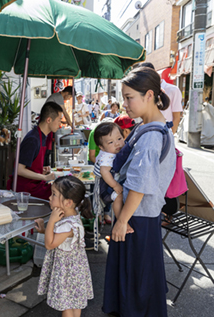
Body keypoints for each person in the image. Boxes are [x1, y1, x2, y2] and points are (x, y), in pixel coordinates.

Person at [102, 67, 176, 317]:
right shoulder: (156, 127)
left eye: (129, 97)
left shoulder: (149, 137)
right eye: (123, 97)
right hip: (144, 215)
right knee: (141, 281)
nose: (124, 104)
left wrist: (121, 221)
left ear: (149, 95)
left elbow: (140, 184)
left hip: (137, 217)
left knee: (136, 284)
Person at [34, 176, 94, 317]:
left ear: (68, 202)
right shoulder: (73, 216)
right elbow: (58, 238)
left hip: (66, 272)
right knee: (75, 303)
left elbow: (50, 244)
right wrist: (44, 229)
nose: (49, 197)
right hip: (75, 270)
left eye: (54, 194)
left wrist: (51, 222)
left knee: (67, 306)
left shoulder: (66, 225)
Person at [7, 102, 62, 200]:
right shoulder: (33, 139)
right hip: (26, 190)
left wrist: (41, 170)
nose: (60, 124)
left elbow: (30, 164)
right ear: (49, 120)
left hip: (35, 184)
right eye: (59, 120)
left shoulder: (42, 136)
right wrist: (44, 177)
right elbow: (19, 170)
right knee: (60, 194)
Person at [92, 122, 133, 234]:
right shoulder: (107, 157)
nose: (117, 144)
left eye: (119, 138)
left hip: (104, 185)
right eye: (111, 142)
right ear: (101, 147)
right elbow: (104, 172)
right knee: (119, 197)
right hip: (105, 188)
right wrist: (115, 185)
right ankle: (121, 220)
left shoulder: (108, 152)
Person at [139, 62, 183, 134]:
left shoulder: (173, 90)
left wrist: (168, 138)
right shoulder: (144, 91)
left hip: (164, 134)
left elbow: (176, 118)